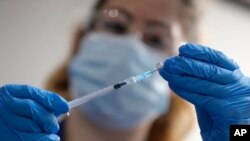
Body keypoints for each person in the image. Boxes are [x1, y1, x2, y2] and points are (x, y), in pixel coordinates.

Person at [1, 0, 250, 141]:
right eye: (116, 26)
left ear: (184, 70)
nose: (131, 44)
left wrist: (242, 133)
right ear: (80, 41)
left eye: (155, 39)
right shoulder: (14, 130)